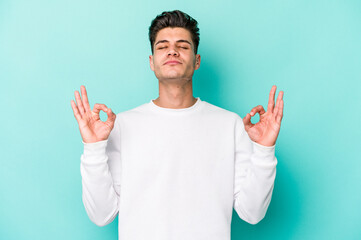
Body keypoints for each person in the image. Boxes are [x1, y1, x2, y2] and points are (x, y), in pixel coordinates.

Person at [70, 10, 284, 240]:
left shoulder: (230, 124)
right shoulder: (122, 125)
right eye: (162, 46)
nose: (172, 51)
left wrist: (264, 151)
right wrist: (93, 148)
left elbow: (252, 213)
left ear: (197, 60)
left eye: (183, 46)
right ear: (152, 62)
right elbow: (101, 215)